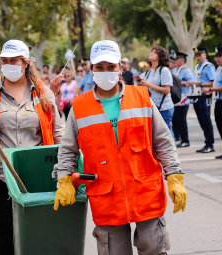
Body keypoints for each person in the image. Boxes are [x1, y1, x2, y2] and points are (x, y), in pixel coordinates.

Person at [53, 39, 187, 255]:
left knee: (154, 249)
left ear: (120, 68)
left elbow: (162, 140)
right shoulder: (79, 107)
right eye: (99, 67)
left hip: (145, 192)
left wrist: (174, 175)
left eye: (111, 67)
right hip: (107, 197)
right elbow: (68, 149)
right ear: (92, 69)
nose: (105, 71)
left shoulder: (141, 98)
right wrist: (64, 178)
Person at [0, 39, 64, 255]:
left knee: (34, 230)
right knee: (5, 230)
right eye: (4, 60)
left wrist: (65, 162)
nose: (8, 64)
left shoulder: (42, 91)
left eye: (13, 60)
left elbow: (57, 130)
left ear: (25, 63)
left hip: (36, 176)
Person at [139, 46, 175, 138]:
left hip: (164, 108)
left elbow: (167, 90)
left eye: (154, 52)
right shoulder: (150, 71)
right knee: (156, 136)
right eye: (151, 51)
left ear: (160, 56)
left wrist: (149, 85)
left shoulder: (164, 70)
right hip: (153, 108)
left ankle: (172, 152)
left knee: (166, 136)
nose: (151, 53)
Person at [192, 47, 216, 153]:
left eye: (200, 55)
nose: (198, 57)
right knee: (201, 121)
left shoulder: (209, 66)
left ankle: (210, 144)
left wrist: (202, 84)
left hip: (205, 96)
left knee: (206, 120)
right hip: (197, 96)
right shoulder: (198, 66)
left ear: (205, 55)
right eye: (196, 55)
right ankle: (207, 142)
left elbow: (213, 82)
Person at [202, 47, 222, 158]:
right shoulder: (218, 69)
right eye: (216, 56)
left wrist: (210, 89)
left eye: (220, 56)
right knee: (219, 125)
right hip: (218, 101)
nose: (217, 59)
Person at [172, 52, 195, 147]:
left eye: (177, 59)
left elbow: (191, 81)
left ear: (183, 60)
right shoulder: (175, 70)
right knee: (176, 119)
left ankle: (185, 140)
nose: (175, 61)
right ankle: (179, 137)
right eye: (175, 60)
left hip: (184, 97)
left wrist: (182, 83)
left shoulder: (186, 70)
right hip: (176, 97)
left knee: (181, 119)